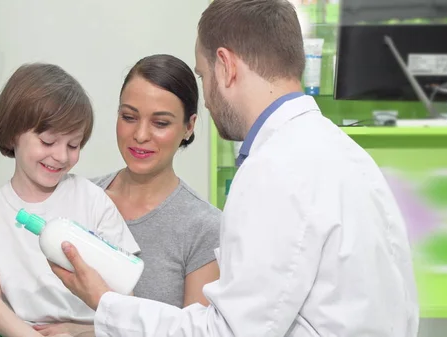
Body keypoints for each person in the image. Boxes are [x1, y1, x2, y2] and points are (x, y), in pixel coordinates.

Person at [49, 0, 420, 336]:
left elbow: (227, 333)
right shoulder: (347, 156)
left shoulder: (274, 169)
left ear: (225, 66)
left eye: (203, 75)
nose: (207, 98)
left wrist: (107, 303)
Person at [35, 54, 222, 336]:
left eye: (160, 123)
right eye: (129, 117)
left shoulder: (204, 227)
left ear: (189, 126)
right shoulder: (77, 196)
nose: (140, 135)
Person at [0, 63, 140, 337]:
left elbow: (125, 294)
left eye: (73, 145)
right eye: (47, 141)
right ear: (12, 135)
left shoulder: (91, 200)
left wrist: (81, 331)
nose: (61, 156)